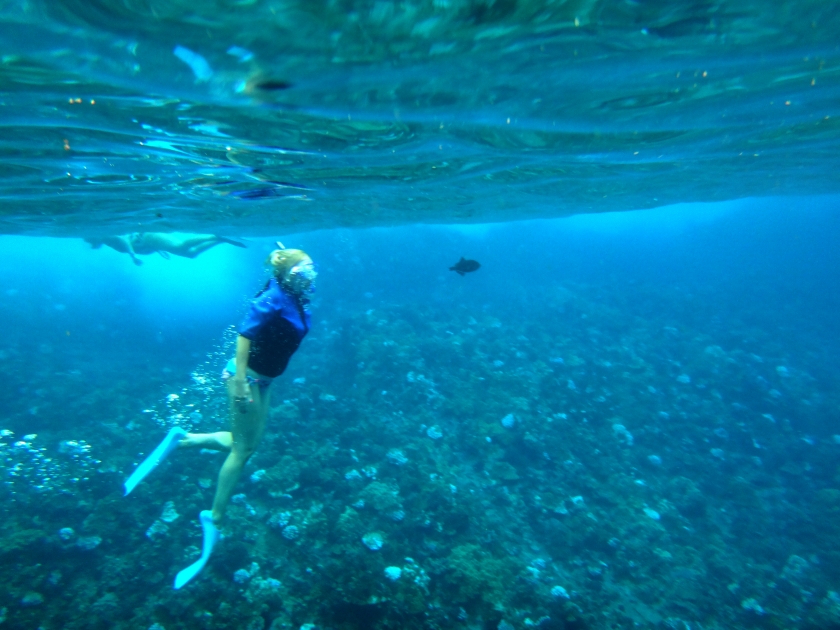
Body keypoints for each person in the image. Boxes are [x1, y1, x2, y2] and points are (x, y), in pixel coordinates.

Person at [123, 243, 316, 589]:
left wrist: (289, 262)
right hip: (247, 380)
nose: (311, 275)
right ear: (287, 276)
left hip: (265, 382)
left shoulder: (295, 297)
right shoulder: (273, 297)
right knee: (241, 452)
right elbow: (244, 336)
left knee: (248, 445)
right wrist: (241, 381)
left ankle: (185, 439)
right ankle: (214, 517)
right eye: (303, 271)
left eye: (312, 268)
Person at [85, 233, 246, 265]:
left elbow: (125, 240)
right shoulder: (107, 241)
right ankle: (220, 239)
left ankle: (214, 236)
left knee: (181, 246)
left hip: (148, 237)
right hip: (150, 243)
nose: (90, 244)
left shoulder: (107, 236)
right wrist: (159, 249)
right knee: (191, 255)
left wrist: (132, 256)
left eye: (89, 239)